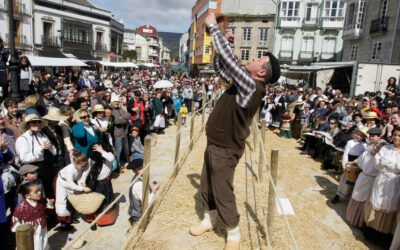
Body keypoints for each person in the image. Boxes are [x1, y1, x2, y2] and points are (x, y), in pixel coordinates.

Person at [189, 13, 280, 250]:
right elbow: (220, 66)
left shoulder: (253, 86)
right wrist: (224, 42)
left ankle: (234, 234)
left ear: (261, 73)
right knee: (207, 184)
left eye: (260, 59)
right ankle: (210, 220)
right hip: (215, 142)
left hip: (226, 147)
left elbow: (229, 62)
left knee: (222, 190)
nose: (255, 58)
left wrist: (212, 27)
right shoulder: (243, 82)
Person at [346, 140, 387, 228]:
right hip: (362, 177)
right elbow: (360, 163)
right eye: (376, 146)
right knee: (356, 196)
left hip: (372, 181)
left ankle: (359, 222)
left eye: (379, 148)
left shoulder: (381, 158)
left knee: (364, 201)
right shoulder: (366, 153)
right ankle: (351, 217)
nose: (376, 148)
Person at [16, 114, 57, 196]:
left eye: (38, 122)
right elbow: (24, 158)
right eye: (34, 122)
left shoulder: (42, 135)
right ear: (28, 124)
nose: (37, 124)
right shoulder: (22, 139)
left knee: (47, 192)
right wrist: (40, 148)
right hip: (30, 170)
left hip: (44, 168)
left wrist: (50, 147)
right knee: (34, 193)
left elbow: (54, 152)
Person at [55, 150, 91, 230]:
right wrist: (82, 188)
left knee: (72, 201)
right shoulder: (69, 170)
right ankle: (63, 223)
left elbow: (78, 177)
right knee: (63, 202)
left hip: (70, 184)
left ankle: (71, 218)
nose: (83, 168)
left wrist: (81, 183)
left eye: (84, 166)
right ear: (76, 163)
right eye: (82, 166)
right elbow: (71, 184)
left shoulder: (78, 167)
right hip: (62, 183)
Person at [332, 127, 368, 204]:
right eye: (358, 134)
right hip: (349, 162)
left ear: (364, 137)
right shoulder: (350, 142)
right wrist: (345, 165)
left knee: (354, 182)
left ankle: (350, 198)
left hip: (358, 164)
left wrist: (359, 163)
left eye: (361, 135)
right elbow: (346, 154)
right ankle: (338, 195)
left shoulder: (365, 145)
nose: (358, 136)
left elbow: (363, 156)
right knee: (344, 180)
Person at [85, 143, 116, 228]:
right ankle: (92, 221)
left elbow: (111, 157)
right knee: (93, 203)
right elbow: (86, 170)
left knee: (105, 203)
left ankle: (103, 221)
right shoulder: (92, 157)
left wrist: (102, 151)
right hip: (93, 182)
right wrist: (83, 182)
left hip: (105, 183)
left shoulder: (107, 157)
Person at [11, 182, 50, 250]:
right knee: (34, 244)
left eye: (39, 190)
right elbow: (16, 219)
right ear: (27, 196)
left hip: (41, 227)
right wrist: (22, 230)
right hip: (31, 231)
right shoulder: (22, 207)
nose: (40, 192)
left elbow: (45, 203)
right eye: (36, 192)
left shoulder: (40, 201)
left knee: (42, 241)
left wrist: (49, 203)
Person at [128, 158, 160, 226]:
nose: (142, 170)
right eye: (139, 169)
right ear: (134, 171)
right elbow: (147, 202)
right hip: (139, 215)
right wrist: (154, 190)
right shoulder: (138, 184)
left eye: (142, 167)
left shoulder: (140, 177)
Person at [111, 95, 131, 170]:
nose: (116, 103)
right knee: (118, 151)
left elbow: (129, 115)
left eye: (117, 101)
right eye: (115, 101)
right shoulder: (111, 110)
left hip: (124, 132)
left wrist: (122, 118)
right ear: (112, 102)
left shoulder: (120, 109)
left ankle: (127, 160)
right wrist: (124, 119)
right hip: (117, 134)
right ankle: (118, 166)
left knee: (126, 148)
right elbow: (116, 121)